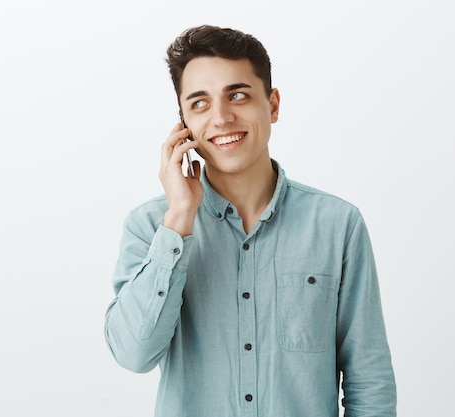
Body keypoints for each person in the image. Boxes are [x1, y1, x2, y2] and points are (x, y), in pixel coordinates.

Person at [104, 25, 396, 417]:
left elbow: (369, 381)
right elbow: (132, 354)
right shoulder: (151, 226)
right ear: (184, 124)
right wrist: (178, 220)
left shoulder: (337, 225)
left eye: (237, 95)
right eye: (200, 103)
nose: (222, 118)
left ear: (272, 105)